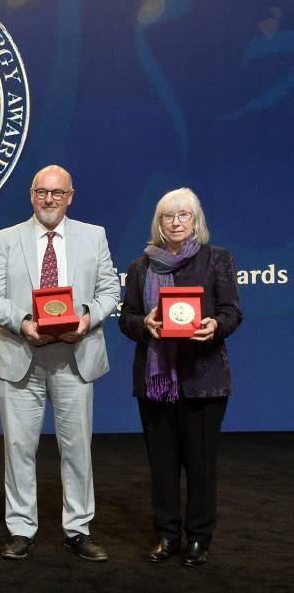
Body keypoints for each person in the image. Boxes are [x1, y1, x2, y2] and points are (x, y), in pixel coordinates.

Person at [0, 164, 120, 562]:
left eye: (58, 193)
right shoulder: (6, 238)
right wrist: (23, 322)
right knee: (19, 448)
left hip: (75, 356)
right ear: (31, 195)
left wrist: (88, 318)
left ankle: (77, 529)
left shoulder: (94, 236)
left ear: (70, 197)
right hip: (20, 354)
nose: (49, 199)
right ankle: (21, 529)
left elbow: (110, 289)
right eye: (42, 191)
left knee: (77, 449)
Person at [117, 188, 241, 567]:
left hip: (204, 378)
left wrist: (214, 325)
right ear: (159, 222)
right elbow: (126, 318)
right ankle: (167, 535)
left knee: (200, 466)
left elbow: (232, 311)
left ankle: (199, 538)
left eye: (183, 215)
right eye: (168, 216)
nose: (175, 222)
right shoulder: (140, 267)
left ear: (195, 220)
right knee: (162, 465)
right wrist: (145, 323)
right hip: (155, 383)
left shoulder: (216, 259)